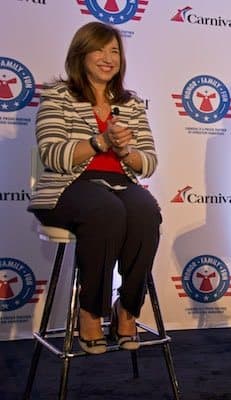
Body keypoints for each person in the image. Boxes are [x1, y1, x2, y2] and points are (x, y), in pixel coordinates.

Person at [28, 22, 161, 354]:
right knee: (106, 210)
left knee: (146, 212)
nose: (108, 58)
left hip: (120, 185)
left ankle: (127, 310)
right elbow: (52, 153)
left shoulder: (130, 103)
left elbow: (150, 161)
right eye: (100, 49)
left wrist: (125, 151)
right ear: (81, 53)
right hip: (69, 186)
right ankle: (89, 311)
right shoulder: (58, 94)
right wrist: (99, 141)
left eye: (114, 51)